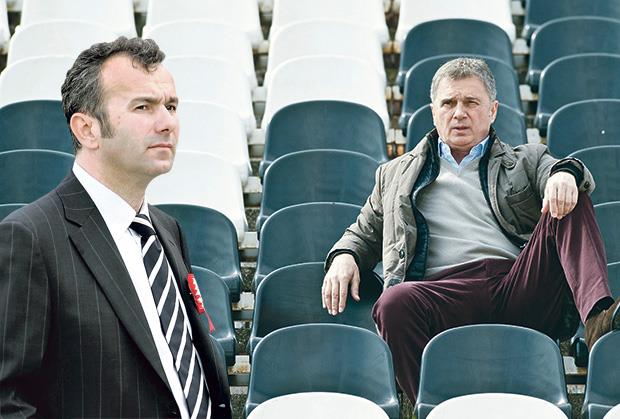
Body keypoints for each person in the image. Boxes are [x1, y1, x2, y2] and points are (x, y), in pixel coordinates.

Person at [322, 57, 619, 404]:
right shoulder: (394, 175)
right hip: (442, 295)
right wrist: (344, 255)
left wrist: (565, 174)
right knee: (392, 303)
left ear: (492, 110)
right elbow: (362, 233)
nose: (459, 113)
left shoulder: (525, 160)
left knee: (569, 197)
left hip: (517, 286)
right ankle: (435, 407)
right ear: (434, 112)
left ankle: (597, 323)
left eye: (471, 102)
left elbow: (560, 170)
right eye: (449, 103)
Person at [0, 37, 232, 418]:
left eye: (171, 106)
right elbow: (7, 401)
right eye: (143, 107)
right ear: (87, 129)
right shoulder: (30, 239)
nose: (167, 123)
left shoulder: (167, 230)